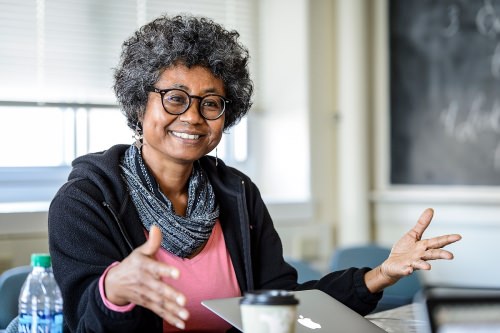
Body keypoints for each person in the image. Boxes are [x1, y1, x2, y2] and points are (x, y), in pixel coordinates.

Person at [48, 14, 462, 333]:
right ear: (140, 105)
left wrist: (380, 275)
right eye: (175, 99)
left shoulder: (236, 193)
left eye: (211, 103)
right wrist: (114, 290)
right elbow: (85, 321)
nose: (192, 117)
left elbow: (282, 302)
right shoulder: (86, 200)